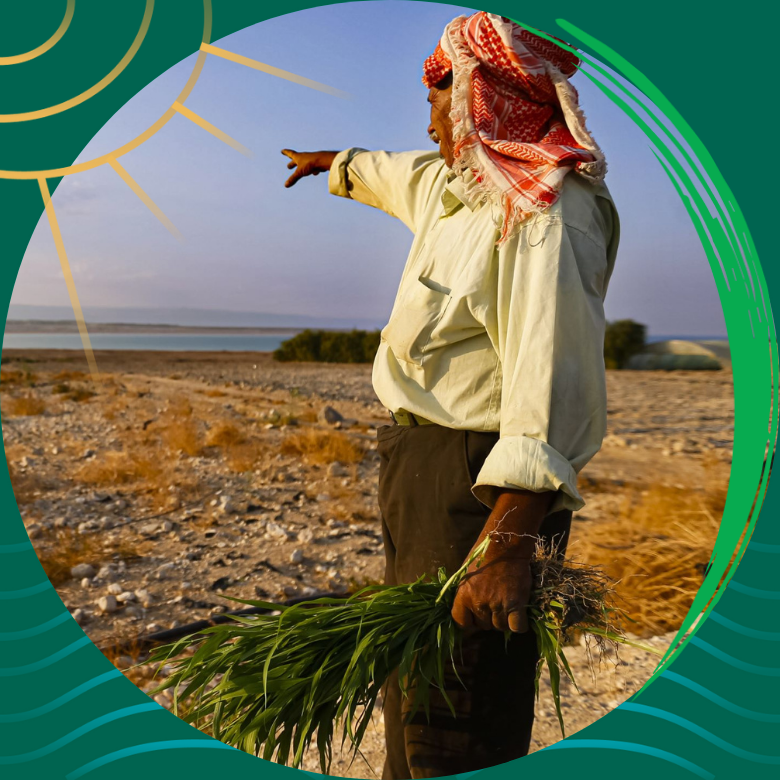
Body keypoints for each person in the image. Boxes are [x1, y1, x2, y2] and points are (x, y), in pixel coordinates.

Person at [281, 12, 619, 779]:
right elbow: (396, 172)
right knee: (417, 676)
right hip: (418, 461)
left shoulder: (543, 214)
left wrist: (507, 542)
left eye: (439, 101)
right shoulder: (454, 186)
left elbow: (552, 376)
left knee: (459, 702)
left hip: (484, 483)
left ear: (478, 101)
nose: (431, 122)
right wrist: (336, 163)